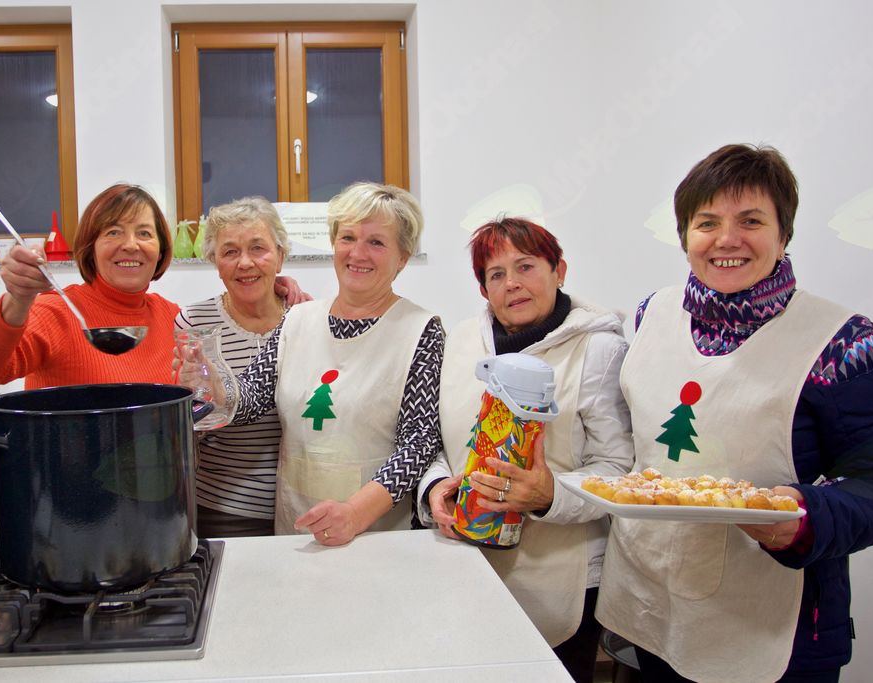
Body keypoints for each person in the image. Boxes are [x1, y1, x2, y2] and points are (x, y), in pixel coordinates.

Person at [596, 144, 873, 682]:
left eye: (750, 221)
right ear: (685, 236)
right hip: (651, 606)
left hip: (770, 627)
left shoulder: (842, 343)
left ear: (783, 234)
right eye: (707, 223)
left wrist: (802, 517)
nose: (727, 239)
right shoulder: (651, 314)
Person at [416, 217, 634, 682]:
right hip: (468, 560)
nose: (511, 283)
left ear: (559, 271)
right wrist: (436, 487)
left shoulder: (598, 349)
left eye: (526, 266)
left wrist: (549, 494)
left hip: (562, 573)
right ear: (484, 289)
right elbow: (442, 443)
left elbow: (618, 468)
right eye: (496, 274)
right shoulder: (462, 342)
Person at [227, 181, 444, 545]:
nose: (357, 253)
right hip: (295, 533)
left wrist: (355, 513)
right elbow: (248, 399)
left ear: (403, 258)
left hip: (377, 537)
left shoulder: (420, 331)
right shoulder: (296, 320)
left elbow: (419, 442)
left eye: (376, 242)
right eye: (348, 238)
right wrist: (214, 385)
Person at [0, 183, 305, 389]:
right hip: (72, 481)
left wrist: (270, 289)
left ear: (160, 248)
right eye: (113, 232)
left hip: (157, 481)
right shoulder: (55, 311)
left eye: (144, 233)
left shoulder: (172, 318)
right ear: (90, 247)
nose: (131, 245)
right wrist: (18, 298)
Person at [175, 197, 293, 538]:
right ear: (215, 261)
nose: (245, 263)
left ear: (280, 256)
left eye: (258, 248)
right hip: (223, 506)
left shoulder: (305, 318)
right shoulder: (193, 322)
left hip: (300, 503)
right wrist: (190, 398)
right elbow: (189, 422)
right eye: (230, 252)